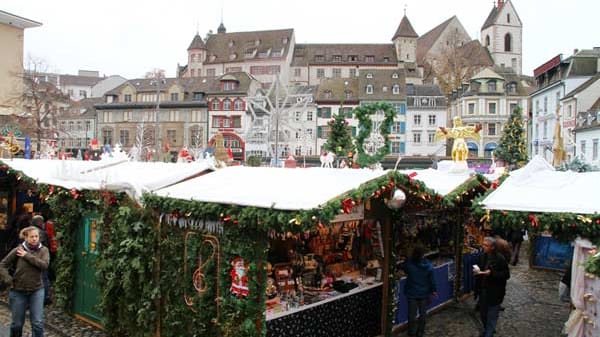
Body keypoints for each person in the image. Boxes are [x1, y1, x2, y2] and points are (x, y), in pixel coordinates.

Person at [0, 226, 50, 337]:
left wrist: (27, 256)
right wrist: (8, 279)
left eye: (36, 236)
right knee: (17, 324)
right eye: (32, 236)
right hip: (18, 291)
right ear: (26, 238)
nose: (34, 239)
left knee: (37, 323)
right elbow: (2, 265)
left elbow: (44, 265)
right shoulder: (18, 250)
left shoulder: (44, 250)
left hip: (37, 290)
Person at [475, 237, 510, 337]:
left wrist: (492, 273)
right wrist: (478, 272)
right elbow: (480, 268)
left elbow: (506, 275)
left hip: (495, 292)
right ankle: (487, 330)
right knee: (483, 314)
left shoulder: (500, 259)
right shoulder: (482, 257)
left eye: (486, 245)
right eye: (483, 245)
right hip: (483, 290)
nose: (483, 247)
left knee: (492, 315)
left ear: (493, 247)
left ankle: (489, 333)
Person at [400, 245, 437, 337]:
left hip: (412, 292)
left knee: (412, 315)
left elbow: (403, 267)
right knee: (423, 314)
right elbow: (432, 280)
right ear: (423, 255)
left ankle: (411, 332)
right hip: (424, 293)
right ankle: (420, 332)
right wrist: (434, 290)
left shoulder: (409, 265)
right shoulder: (428, 265)